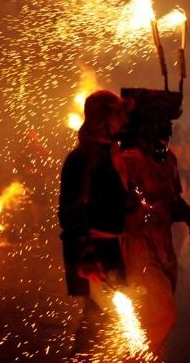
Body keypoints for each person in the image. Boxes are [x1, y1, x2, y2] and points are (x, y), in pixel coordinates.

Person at [120, 88, 190, 358]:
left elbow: (172, 198)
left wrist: (188, 213)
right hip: (137, 244)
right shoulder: (129, 161)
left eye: (167, 131)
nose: (164, 137)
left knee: (158, 307)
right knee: (161, 312)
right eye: (158, 130)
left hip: (163, 244)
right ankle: (140, 357)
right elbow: (114, 200)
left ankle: (150, 356)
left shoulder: (168, 160)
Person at [58, 90, 131, 360]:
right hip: (95, 249)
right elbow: (72, 213)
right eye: (116, 114)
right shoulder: (82, 159)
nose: (121, 120)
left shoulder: (109, 154)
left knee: (106, 319)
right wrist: (87, 258)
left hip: (111, 246)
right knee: (101, 320)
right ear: (102, 118)